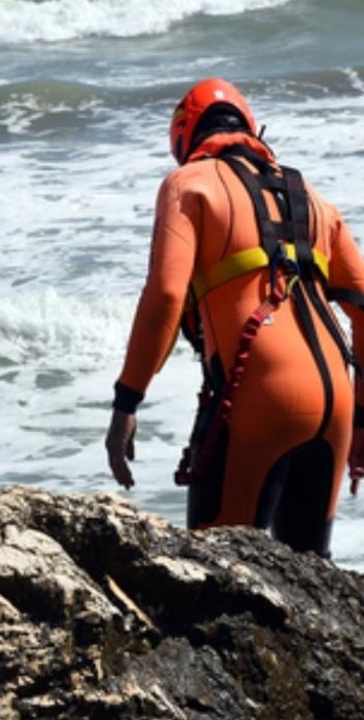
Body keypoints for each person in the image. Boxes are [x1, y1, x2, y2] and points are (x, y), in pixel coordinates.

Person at [104, 78, 364, 556]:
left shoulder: (188, 185)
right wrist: (363, 420)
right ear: (250, 126)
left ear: (184, 138)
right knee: (311, 582)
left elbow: (164, 294)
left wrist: (127, 402)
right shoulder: (316, 200)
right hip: (336, 407)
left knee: (214, 578)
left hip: (257, 398)